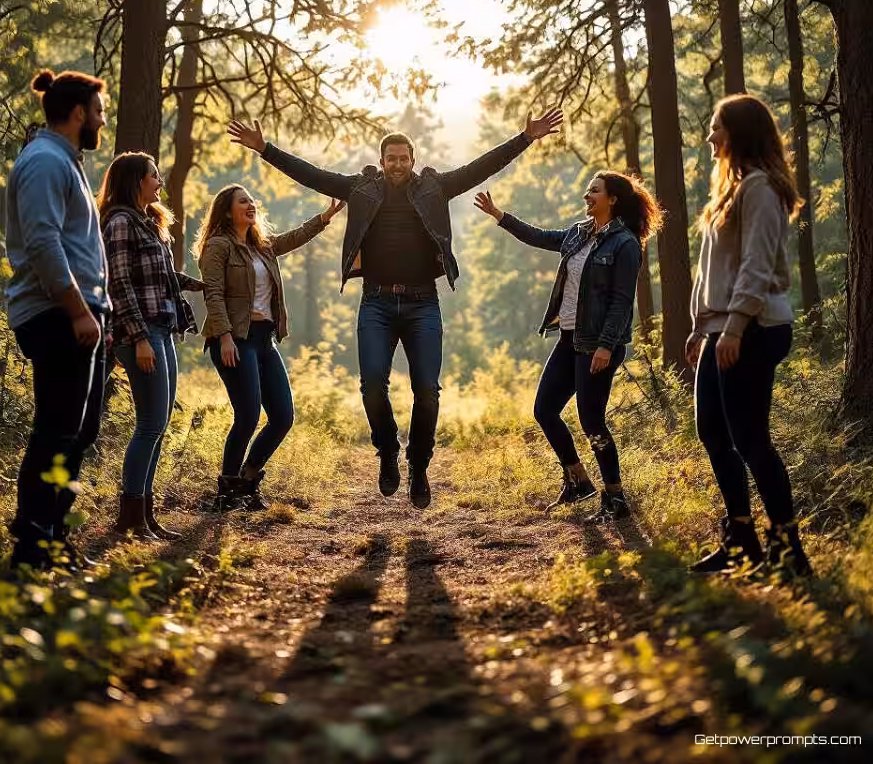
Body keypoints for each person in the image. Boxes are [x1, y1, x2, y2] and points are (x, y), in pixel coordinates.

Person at [228, 109, 563, 509]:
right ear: (382, 160)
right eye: (392, 159)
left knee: (427, 389)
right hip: (377, 302)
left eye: (404, 158)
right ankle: (387, 450)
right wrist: (265, 149)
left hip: (423, 303)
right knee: (372, 383)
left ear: (413, 160)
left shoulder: (435, 187)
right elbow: (311, 175)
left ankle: (418, 465)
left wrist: (524, 138)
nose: (398, 164)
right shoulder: (360, 189)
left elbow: (481, 167)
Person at [474, 172, 661, 522]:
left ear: (612, 199)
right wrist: (500, 215)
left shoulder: (625, 243)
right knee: (544, 410)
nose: (586, 195)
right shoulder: (579, 233)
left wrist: (606, 346)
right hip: (568, 339)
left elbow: (622, 302)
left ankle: (615, 498)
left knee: (592, 421)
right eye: (587, 190)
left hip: (597, 345)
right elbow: (540, 237)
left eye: (594, 191)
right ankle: (578, 480)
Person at [686, 94, 812, 577]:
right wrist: (701, 327)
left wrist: (735, 326)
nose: (710, 136)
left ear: (739, 133)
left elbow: (756, 266)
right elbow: (712, 270)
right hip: (721, 328)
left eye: (717, 127)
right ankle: (741, 540)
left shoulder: (759, 187)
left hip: (754, 328)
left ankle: (788, 549)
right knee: (714, 432)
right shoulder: (731, 189)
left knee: (750, 439)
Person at [5, 68, 111, 570]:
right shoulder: (45, 161)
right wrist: (78, 310)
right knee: (56, 430)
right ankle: (33, 545)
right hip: (58, 314)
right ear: (77, 113)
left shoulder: (64, 160)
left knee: (78, 431)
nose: (103, 121)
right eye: (99, 112)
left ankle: (52, 537)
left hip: (79, 312)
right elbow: (43, 243)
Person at [195, 184, 345, 511]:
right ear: (226, 212)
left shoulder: (261, 246)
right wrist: (224, 337)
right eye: (242, 201)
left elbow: (293, 238)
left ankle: (248, 480)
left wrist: (324, 218)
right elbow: (213, 295)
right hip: (236, 339)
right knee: (248, 416)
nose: (250, 205)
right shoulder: (218, 246)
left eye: (252, 200)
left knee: (282, 417)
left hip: (265, 339)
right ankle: (226, 493)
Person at [99, 152, 205, 540]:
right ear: (136, 181)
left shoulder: (150, 222)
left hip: (163, 328)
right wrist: (140, 338)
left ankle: (146, 515)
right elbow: (120, 283)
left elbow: (160, 275)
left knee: (158, 426)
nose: (159, 182)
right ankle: (129, 518)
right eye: (154, 176)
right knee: (149, 425)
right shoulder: (120, 222)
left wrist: (198, 285)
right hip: (140, 334)